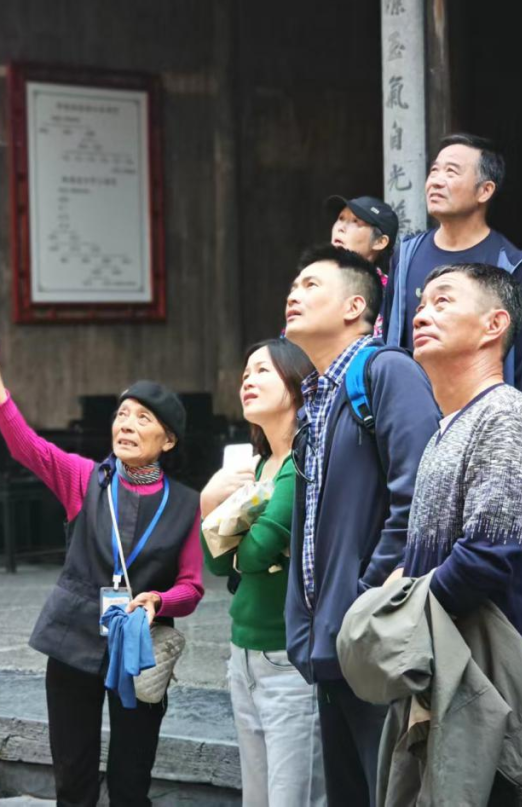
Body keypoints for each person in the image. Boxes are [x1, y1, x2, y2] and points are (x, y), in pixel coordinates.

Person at [0, 318, 204, 807]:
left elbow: (192, 586)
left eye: (143, 419)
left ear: (168, 440)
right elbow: (26, 446)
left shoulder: (186, 504)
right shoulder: (85, 478)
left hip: (139, 645)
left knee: (132, 781)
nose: (126, 425)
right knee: (73, 776)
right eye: (122, 415)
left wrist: (158, 600)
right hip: (73, 638)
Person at [390, 263, 522, 806]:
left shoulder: (507, 416)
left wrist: (396, 612)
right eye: (421, 303)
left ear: (494, 325)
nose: (422, 313)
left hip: (491, 696)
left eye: (443, 301)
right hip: (447, 682)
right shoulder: (450, 426)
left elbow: (484, 559)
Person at [282, 245, 440, 806]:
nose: (293, 295)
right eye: (293, 287)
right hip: (329, 645)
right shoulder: (315, 396)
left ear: (355, 307)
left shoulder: (387, 372)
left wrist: (365, 601)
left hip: (371, 640)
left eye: (310, 285)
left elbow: (418, 498)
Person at [199, 338, 326, 807]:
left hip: (287, 658)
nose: (248, 381)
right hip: (243, 656)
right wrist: (208, 500)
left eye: (262, 371)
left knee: (293, 799)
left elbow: (253, 554)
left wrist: (237, 536)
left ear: (295, 383)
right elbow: (217, 562)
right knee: (257, 797)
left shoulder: (300, 463)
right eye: (245, 374)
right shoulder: (252, 467)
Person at [381, 134, 522, 408]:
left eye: (451, 172)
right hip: (412, 415)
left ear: (485, 191)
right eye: (434, 170)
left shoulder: (511, 265)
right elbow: (389, 339)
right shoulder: (406, 256)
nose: (436, 181)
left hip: (483, 417)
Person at [326, 195, 399, 337]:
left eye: (355, 222)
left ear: (379, 242)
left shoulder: (389, 294)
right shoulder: (314, 278)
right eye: (341, 218)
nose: (341, 227)